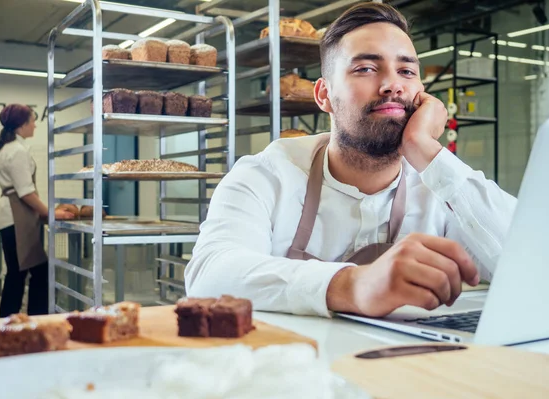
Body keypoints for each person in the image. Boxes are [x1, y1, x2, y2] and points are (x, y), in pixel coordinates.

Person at [185, 3, 517, 317]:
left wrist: (425, 149)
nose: (391, 85)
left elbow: (535, 264)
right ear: (324, 95)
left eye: (406, 70)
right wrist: (351, 285)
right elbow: (209, 275)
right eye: (366, 68)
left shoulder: (441, 187)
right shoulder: (267, 175)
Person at [0, 104, 74, 317]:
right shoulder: (17, 151)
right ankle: (29, 322)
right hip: (16, 217)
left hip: (14, 217)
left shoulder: (8, 148)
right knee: (29, 274)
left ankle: (11, 324)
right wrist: (52, 213)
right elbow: (26, 193)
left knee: (20, 274)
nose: (35, 125)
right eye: (32, 120)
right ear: (22, 125)